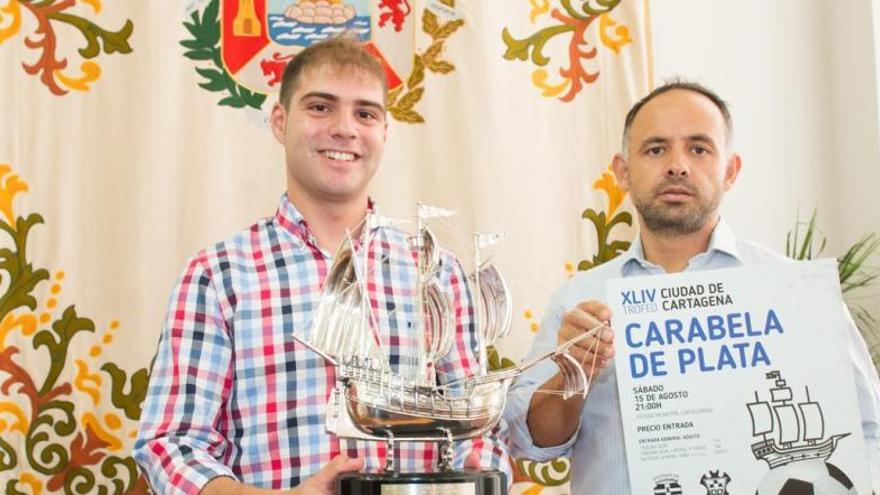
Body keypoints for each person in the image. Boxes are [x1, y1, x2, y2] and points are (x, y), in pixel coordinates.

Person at [134, 36, 510, 494]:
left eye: (365, 113)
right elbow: (172, 445)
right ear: (280, 120)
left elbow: (486, 437)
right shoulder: (219, 275)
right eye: (320, 107)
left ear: (385, 132)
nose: (345, 129)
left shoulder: (440, 273)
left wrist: (480, 474)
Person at [504, 80, 880, 493]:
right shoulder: (581, 302)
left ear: (731, 170)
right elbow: (531, 444)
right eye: (656, 148)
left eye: (699, 148)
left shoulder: (795, 294)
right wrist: (573, 375)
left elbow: (869, 429)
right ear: (622, 172)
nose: (677, 165)